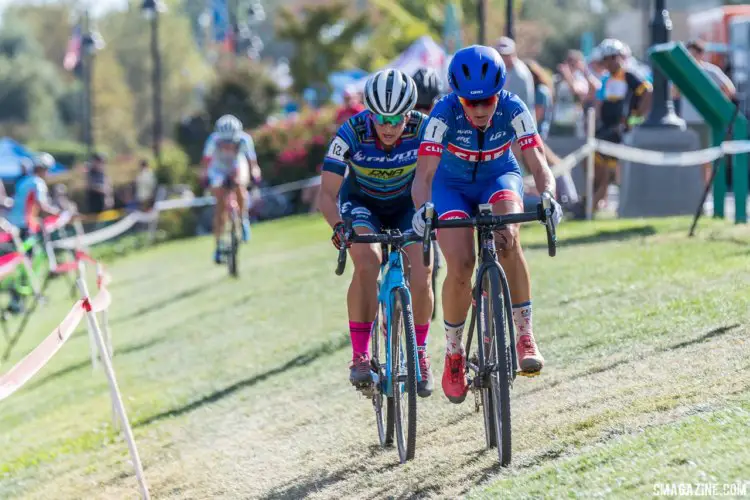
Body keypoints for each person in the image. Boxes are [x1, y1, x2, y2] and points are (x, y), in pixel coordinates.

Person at [411, 45, 563, 404]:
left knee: (509, 239)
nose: (479, 110)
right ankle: (453, 355)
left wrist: (548, 195)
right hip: (451, 187)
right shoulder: (442, 113)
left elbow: (537, 161)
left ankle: (525, 335)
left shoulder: (514, 108)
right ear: (457, 97)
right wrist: (422, 208)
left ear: (499, 92)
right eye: (470, 103)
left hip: (499, 177)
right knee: (461, 264)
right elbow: (425, 173)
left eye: (487, 101)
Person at [320, 69, 435, 397]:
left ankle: (421, 353)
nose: (388, 127)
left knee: (423, 270)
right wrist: (339, 229)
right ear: (370, 113)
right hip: (362, 205)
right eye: (381, 119)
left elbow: (443, 176)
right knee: (367, 262)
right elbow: (326, 195)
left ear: (409, 113)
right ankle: (359, 354)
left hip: (407, 204)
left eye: (396, 119)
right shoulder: (351, 132)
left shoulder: (425, 128)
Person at [593, 38, 653, 213]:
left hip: (621, 132)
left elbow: (647, 92)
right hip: (606, 129)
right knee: (600, 165)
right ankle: (594, 203)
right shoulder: (607, 79)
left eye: (613, 57)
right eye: (606, 58)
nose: (610, 62)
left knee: (617, 170)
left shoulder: (629, 76)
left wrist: (634, 118)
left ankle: (611, 204)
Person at [201, 114, 261, 263]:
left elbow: (252, 164)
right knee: (220, 207)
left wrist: (255, 174)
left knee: (240, 185)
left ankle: (243, 219)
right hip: (218, 168)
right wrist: (204, 178)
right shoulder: (212, 141)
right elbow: (206, 164)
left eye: (231, 142)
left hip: (236, 165)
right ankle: (218, 245)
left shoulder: (244, 140)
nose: (228, 146)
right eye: (224, 142)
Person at [676, 39, 736, 185]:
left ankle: (705, 191)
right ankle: (692, 190)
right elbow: (674, 93)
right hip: (687, 121)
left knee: (705, 158)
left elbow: (730, 89)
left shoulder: (711, 71)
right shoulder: (683, 71)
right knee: (689, 157)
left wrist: (716, 105)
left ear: (700, 54)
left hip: (705, 121)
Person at [494, 36, 535, 113]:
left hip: (519, 119)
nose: (502, 58)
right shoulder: (503, 70)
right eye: (500, 54)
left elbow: (509, 104)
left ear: (514, 54)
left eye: (506, 55)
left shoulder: (519, 74)